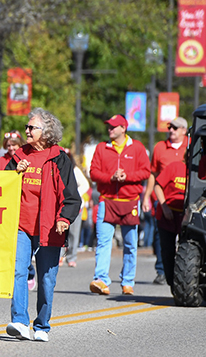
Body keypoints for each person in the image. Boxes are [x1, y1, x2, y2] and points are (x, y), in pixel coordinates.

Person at [4, 108, 81, 342]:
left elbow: (72, 196)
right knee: (18, 272)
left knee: (47, 279)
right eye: (27, 127)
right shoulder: (18, 156)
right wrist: (13, 174)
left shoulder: (60, 158)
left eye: (31, 128)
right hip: (21, 226)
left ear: (46, 132)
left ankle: (41, 326)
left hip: (50, 227)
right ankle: (19, 321)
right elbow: (0, 187)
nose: (26, 131)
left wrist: (64, 218)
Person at [89, 115, 150, 296]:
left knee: (130, 244)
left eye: (114, 127)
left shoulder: (137, 148)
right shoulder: (102, 148)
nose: (110, 129)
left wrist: (127, 176)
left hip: (130, 201)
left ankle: (128, 282)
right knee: (103, 242)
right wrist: (111, 177)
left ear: (124, 128)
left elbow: (146, 171)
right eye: (109, 126)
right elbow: (93, 172)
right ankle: (101, 280)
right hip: (107, 201)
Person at [142, 117, 189, 284]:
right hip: (162, 200)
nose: (171, 130)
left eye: (175, 128)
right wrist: (147, 197)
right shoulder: (160, 147)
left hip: (185, 206)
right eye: (170, 127)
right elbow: (153, 175)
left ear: (184, 130)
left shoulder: (191, 145)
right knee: (162, 240)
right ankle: (162, 271)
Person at [154, 159, 187, 287]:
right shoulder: (175, 166)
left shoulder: (198, 169)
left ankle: (182, 282)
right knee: (168, 251)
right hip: (167, 214)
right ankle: (171, 282)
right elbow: (158, 186)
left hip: (185, 215)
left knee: (185, 250)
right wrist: (165, 207)